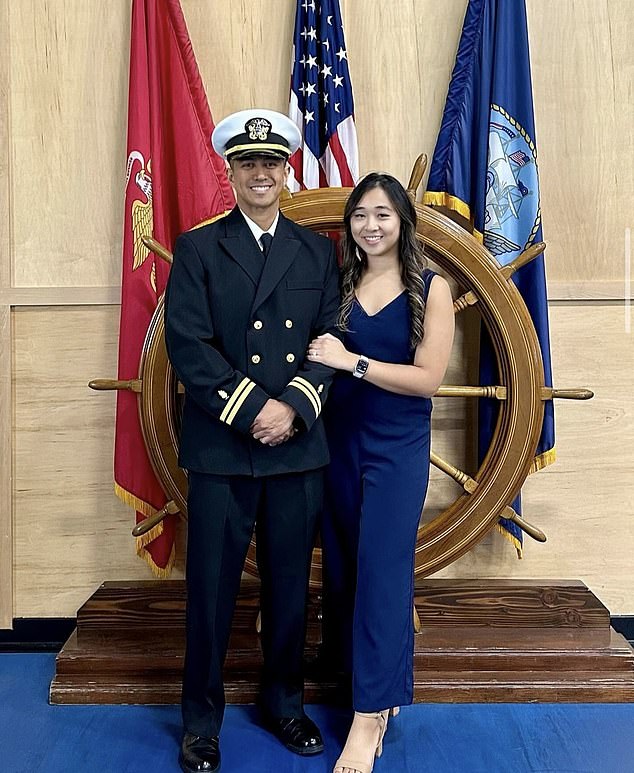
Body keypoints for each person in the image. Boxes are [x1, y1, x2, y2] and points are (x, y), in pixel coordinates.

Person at [164, 108, 340, 773]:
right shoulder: (198, 248)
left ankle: (284, 703)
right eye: (247, 164)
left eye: (270, 163)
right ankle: (200, 721)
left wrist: (292, 406)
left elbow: (331, 341)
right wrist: (253, 410)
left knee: (290, 588)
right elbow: (189, 344)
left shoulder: (318, 251)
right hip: (223, 448)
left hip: (296, 447)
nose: (260, 173)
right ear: (231, 172)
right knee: (209, 591)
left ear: (286, 171)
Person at [307, 172, 455, 773]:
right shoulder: (339, 284)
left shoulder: (431, 287)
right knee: (342, 567)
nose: (370, 226)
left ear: (402, 222)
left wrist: (353, 362)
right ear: (349, 224)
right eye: (360, 215)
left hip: (396, 447)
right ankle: (370, 687)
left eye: (383, 215)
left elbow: (427, 380)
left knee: (382, 574)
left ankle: (368, 722)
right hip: (337, 443)